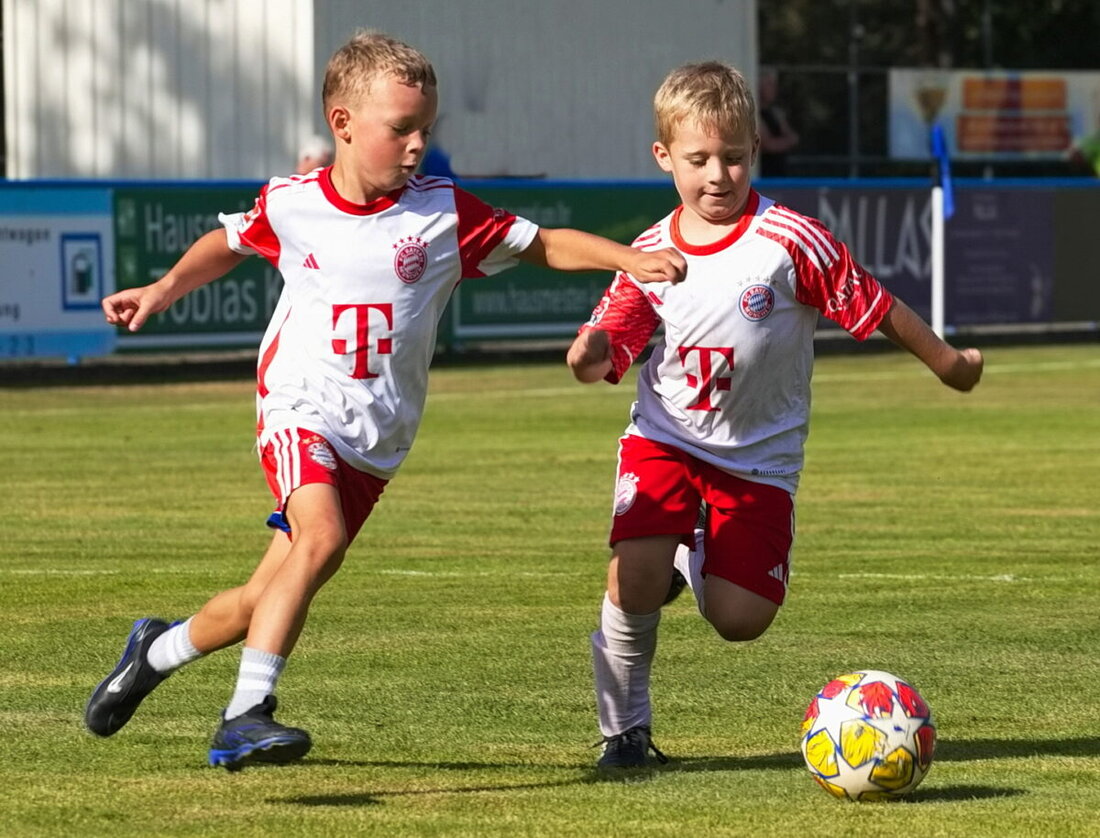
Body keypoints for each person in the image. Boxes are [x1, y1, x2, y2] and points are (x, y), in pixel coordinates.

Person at [85, 30, 686, 773]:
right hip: (299, 409)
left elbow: (547, 244)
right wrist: (162, 289)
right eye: (400, 128)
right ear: (342, 123)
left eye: (424, 129)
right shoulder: (294, 204)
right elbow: (228, 242)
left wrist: (629, 258)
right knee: (321, 538)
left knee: (266, 595)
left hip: (375, 441)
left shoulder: (443, 213)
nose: (415, 145)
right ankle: (245, 713)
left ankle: (156, 650)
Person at [566, 60, 983, 772]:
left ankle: (684, 552)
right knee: (631, 575)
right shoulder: (645, 254)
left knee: (740, 620)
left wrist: (947, 362)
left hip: (758, 460)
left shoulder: (791, 241)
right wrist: (590, 353)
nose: (718, 175)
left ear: (755, 150)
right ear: (664, 158)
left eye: (733, 157)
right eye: (698, 160)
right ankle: (624, 734)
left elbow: (877, 306)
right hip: (664, 439)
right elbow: (608, 346)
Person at [756, 67, 799, 177]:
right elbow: (767, 145)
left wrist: (783, 141)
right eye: (769, 84)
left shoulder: (775, 112)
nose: (774, 89)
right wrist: (786, 141)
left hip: (780, 173)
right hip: (764, 175)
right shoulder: (754, 113)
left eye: (774, 84)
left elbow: (792, 136)